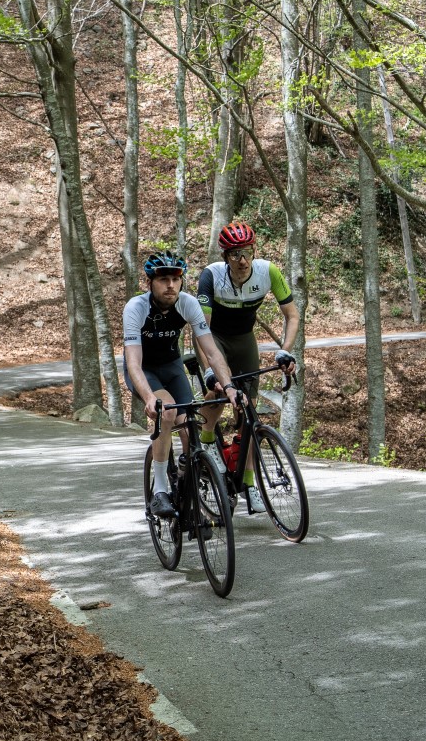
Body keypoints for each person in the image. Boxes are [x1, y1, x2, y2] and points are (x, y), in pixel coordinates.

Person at [123, 251, 241, 519]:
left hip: (172, 366)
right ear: (150, 283)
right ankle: (161, 491)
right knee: (168, 411)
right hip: (145, 370)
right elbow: (133, 362)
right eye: (163, 279)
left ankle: (189, 483)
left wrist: (230, 386)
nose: (171, 286)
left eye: (176, 279)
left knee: (192, 425)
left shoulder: (187, 303)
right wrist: (149, 398)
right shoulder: (136, 308)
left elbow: (211, 351)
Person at [196, 221, 299, 511]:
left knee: (250, 412)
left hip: (244, 340)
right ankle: (206, 441)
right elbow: (201, 327)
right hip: (213, 338)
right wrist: (208, 368)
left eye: (247, 252)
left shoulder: (268, 272)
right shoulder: (211, 276)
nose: (242, 260)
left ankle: (250, 481)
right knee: (218, 390)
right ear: (225, 257)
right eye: (234, 254)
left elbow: (291, 315)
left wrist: (285, 351)